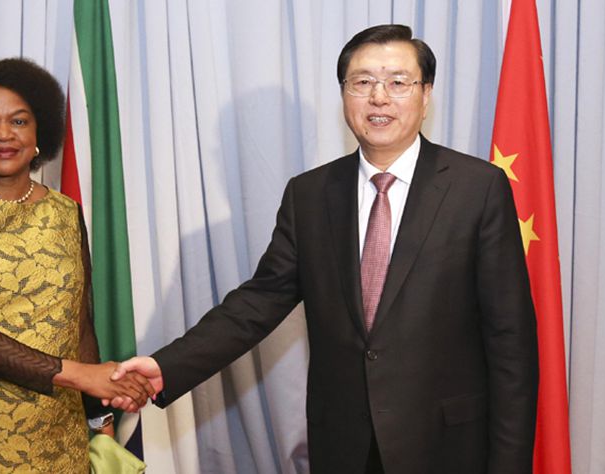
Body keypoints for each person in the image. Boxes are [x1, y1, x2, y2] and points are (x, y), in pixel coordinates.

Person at [112, 25, 539, 473]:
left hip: (446, 447)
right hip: (344, 446)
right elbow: (258, 302)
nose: (379, 97)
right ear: (343, 94)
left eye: (398, 82)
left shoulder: (477, 189)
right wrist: (167, 367)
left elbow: (511, 342)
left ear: (425, 94)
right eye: (362, 82)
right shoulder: (310, 195)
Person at [0, 58, 153, 473]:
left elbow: (78, 324)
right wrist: (82, 376)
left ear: (40, 133)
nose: (4, 134)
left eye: (19, 121)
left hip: (59, 433)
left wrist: (99, 417)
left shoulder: (65, 211)